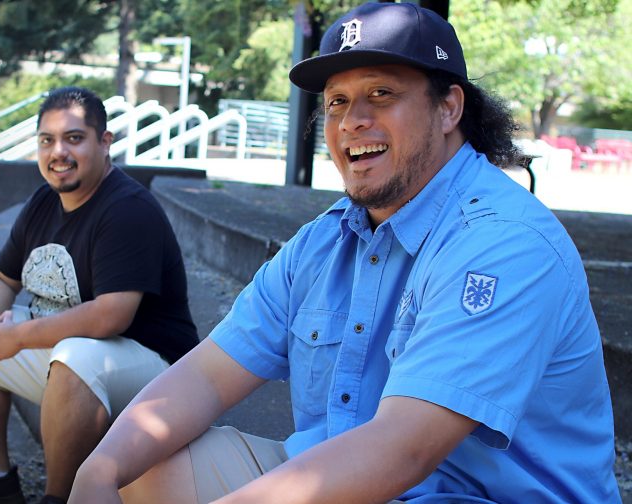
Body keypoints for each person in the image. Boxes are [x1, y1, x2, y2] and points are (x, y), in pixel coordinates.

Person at [70, 3, 621, 503]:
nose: (352, 120)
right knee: (145, 469)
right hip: (348, 477)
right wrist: (97, 470)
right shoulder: (324, 242)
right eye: (337, 101)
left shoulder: (503, 243)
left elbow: (401, 450)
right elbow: (208, 377)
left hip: (477, 496)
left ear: (449, 107)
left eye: (381, 93)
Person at [0, 86, 199, 504]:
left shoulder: (127, 209)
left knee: (74, 357)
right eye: (46, 140)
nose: (58, 152)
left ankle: (60, 498)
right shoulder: (44, 201)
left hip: (158, 370)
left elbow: (111, 316)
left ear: (105, 143)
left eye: (73, 138)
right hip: (88, 360)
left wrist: (17, 337)